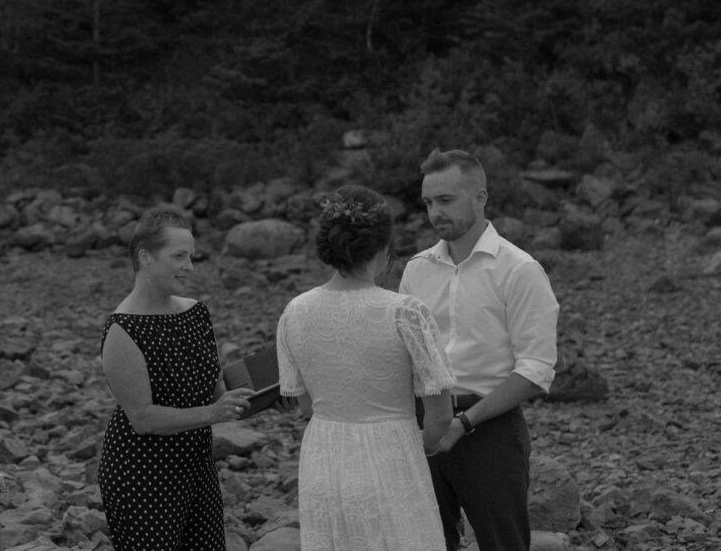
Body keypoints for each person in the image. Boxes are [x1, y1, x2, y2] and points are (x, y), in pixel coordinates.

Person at [276, 185, 456, 551]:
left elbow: (307, 406)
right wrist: (422, 449)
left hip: (324, 460)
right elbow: (439, 416)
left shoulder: (295, 312)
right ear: (382, 248)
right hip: (393, 456)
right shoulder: (407, 312)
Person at [399, 149, 560, 551]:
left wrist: (464, 423)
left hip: (491, 430)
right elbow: (401, 355)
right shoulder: (417, 269)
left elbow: (536, 369)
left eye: (446, 200)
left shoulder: (519, 270)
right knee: (427, 543)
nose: (435, 212)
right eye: (429, 203)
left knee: (503, 544)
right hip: (420, 422)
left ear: (480, 198)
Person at [97, 208, 255, 550]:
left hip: (197, 468)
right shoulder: (122, 330)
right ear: (145, 258)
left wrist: (266, 396)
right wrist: (213, 415)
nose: (189, 266)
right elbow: (142, 418)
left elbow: (216, 393)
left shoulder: (196, 312)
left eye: (192, 256)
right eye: (179, 256)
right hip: (141, 477)